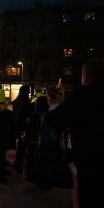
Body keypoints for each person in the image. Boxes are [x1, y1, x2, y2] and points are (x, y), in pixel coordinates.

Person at [47, 57, 104, 208]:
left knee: (89, 199)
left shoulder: (84, 96)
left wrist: (54, 105)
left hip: (90, 163)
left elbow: (55, 121)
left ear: (84, 75)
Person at [12, 85, 33, 173]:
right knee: (22, 146)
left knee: (20, 145)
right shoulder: (26, 101)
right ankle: (19, 164)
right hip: (23, 126)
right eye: (28, 90)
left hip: (17, 126)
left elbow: (15, 114)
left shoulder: (17, 100)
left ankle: (17, 162)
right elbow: (24, 115)